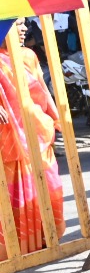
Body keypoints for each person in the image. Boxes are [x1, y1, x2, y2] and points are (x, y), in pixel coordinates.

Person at [0, 40, 65, 259]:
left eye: (23, 22)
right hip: (8, 135)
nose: (23, 28)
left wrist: (56, 118)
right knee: (13, 191)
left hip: (37, 129)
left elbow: (42, 90)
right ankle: (15, 247)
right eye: (16, 23)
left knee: (50, 183)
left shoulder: (27, 55)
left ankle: (47, 237)